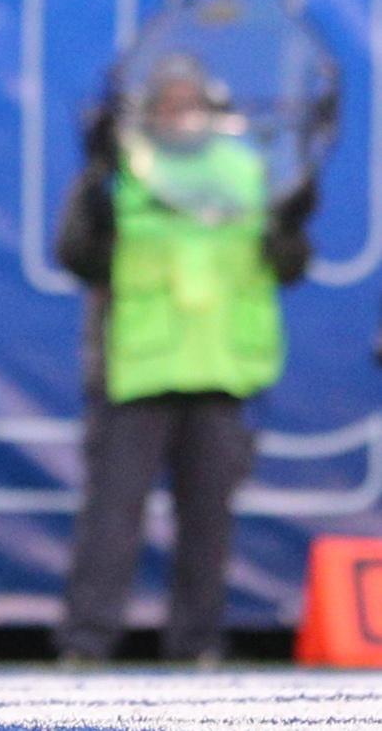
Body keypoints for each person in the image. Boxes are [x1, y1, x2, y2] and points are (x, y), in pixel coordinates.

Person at [55, 59, 318, 664]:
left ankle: (197, 642)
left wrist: (292, 224)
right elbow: (76, 253)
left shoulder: (247, 171)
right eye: (168, 103)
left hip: (221, 371)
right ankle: (87, 642)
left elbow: (289, 264)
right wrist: (96, 181)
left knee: (209, 522)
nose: (181, 114)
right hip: (137, 370)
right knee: (112, 519)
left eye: (191, 100)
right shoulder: (125, 169)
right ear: (148, 110)